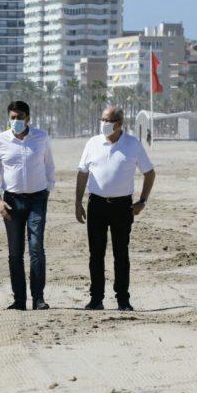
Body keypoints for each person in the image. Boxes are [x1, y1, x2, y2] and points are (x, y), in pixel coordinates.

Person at [75, 106, 156, 311]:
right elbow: (83, 173)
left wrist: (142, 201)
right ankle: (96, 299)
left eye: (108, 120)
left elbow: (149, 173)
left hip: (122, 206)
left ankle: (123, 299)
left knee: (121, 254)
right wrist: (78, 202)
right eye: (102, 119)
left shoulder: (132, 144)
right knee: (96, 254)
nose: (104, 124)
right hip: (97, 204)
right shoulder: (92, 143)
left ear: (119, 123)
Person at [0, 100, 56, 310]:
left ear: (28, 118)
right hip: (11, 201)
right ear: (9, 118)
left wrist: (47, 190)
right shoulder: (0, 140)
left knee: (36, 248)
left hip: (37, 199)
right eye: (13, 117)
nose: (16, 121)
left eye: (20, 117)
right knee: (15, 252)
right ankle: (19, 299)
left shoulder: (41, 137)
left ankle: (38, 298)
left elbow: (49, 166)